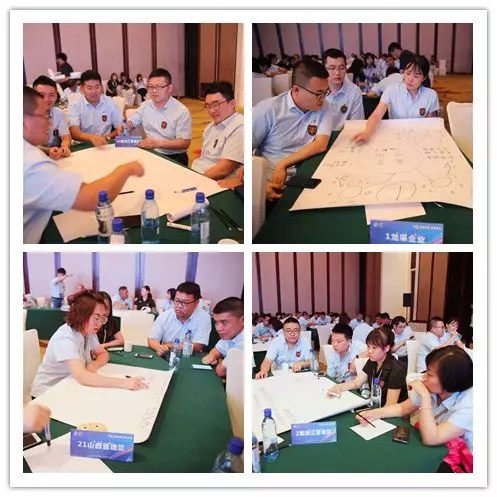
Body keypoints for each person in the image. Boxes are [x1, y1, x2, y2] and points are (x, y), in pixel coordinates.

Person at [23, 86, 144, 244]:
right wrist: (126, 169)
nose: (49, 122)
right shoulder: (32, 163)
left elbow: (121, 125)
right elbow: (93, 198)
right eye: (44, 115)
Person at [356, 347, 473, 465]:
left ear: (449, 380)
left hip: (463, 462)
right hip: (438, 450)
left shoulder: (469, 405)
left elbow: (431, 438)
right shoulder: (433, 386)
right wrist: (375, 413)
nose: (424, 377)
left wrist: (425, 397)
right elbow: (403, 408)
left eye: (430, 374)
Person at [31, 290, 147, 397]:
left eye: (103, 318)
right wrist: (124, 383)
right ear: (82, 315)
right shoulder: (65, 337)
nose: (100, 323)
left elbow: (103, 354)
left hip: (70, 385)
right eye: (96, 318)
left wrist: (93, 365)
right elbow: (83, 376)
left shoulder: (89, 332)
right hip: (47, 394)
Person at [252, 57, 333, 201]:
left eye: (326, 92)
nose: (323, 98)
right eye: (318, 94)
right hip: (272, 181)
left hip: (305, 174)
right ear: (296, 90)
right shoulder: (268, 109)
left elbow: (321, 144)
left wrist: (283, 163)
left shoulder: (324, 106)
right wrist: (260, 187)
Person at [353, 54, 440, 144]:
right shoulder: (392, 90)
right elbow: (376, 116)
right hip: (396, 136)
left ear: (424, 78)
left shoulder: (431, 95)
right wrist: (367, 133)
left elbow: (432, 124)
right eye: (408, 73)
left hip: (419, 137)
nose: (410, 79)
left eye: (416, 76)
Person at [119, 68, 192, 166]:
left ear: (169, 88)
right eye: (150, 87)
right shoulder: (145, 106)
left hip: (173, 156)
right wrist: (125, 127)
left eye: (159, 87)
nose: (154, 91)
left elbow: (185, 143)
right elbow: (131, 123)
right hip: (151, 152)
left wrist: (157, 143)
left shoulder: (181, 111)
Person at [327, 327, 407, 406]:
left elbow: (390, 406)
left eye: (374, 348)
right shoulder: (373, 361)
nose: (370, 351)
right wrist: (338, 387)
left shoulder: (396, 370)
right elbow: (356, 383)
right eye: (368, 346)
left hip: (388, 411)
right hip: (375, 405)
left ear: (387, 348)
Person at [191, 81, 244, 180]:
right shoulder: (210, 127)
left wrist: (196, 180)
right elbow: (203, 157)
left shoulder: (240, 127)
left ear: (232, 103)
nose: (211, 111)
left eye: (216, 105)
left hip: (211, 182)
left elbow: (223, 170)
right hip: (197, 174)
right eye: (208, 106)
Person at [147, 282, 211, 356]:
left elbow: (198, 345)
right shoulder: (165, 315)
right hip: (167, 354)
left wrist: (170, 345)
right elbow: (152, 339)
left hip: (190, 356)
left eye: (185, 303)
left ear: (196, 302)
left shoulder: (204, 317)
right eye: (177, 301)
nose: (179, 306)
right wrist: (159, 348)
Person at [68, 69, 122, 147]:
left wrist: (107, 137)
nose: (94, 91)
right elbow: (74, 132)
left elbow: (120, 127)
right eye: (89, 88)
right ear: (82, 89)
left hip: (106, 143)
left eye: (97, 87)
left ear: (101, 87)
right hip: (84, 145)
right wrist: (91, 138)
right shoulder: (75, 105)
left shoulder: (110, 102)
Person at [322, 48, 364, 131]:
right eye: (332, 68)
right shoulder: (316, 91)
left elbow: (357, 124)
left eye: (342, 68)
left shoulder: (354, 91)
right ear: (323, 69)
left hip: (346, 135)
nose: (337, 73)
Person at [201, 297, 244, 378]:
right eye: (216, 322)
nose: (218, 328)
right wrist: (212, 356)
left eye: (224, 322)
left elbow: (220, 371)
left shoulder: (243, 342)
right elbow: (217, 350)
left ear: (243, 320)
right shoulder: (230, 335)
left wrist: (220, 361)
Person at [32, 75, 72, 161]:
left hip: (55, 159)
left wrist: (64, 147)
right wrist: (49, 151)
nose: (47, 99)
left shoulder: (59, 113)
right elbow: (28, 146)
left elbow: (65, 137)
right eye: (41, 95)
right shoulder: (26, 116)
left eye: (51, 95)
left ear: (56, 96)